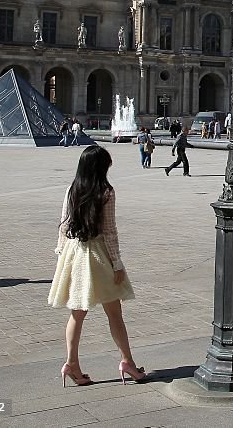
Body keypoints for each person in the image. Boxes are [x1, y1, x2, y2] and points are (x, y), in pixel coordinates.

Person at [47, 145, 147, 386]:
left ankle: (72, 364)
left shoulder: (72, 189)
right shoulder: (106, 192)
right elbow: (110, 232)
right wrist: (118, 264)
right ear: (100, 167)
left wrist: (61, 253)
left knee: (76, 314)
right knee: (114, 314)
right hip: (97, 255)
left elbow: (63, 223)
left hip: (74, 252)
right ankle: (128, 362)